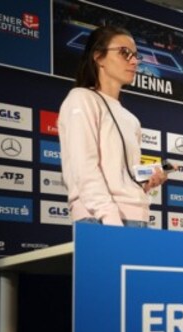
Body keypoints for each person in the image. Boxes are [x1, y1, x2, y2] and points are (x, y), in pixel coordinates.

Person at [59, 25, 168, 227]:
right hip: (101, 218)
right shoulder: (81, 99)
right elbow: (84, 169)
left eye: (136, 55)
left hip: (138, 218)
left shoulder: (131, 119)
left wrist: (148, 179)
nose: (134, 61)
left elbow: (123, 175)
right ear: (98, 57)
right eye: (124, 53)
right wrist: (110, 220)